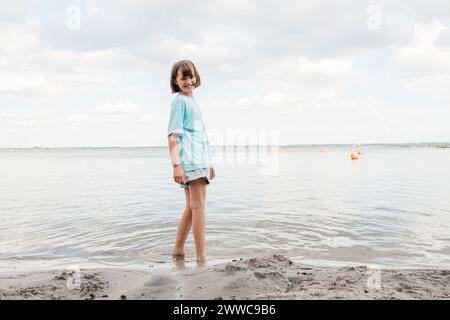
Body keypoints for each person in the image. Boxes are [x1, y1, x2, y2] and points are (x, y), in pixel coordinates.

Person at [167, 59, 215, 262]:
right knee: (199, 207)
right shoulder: (179, 101)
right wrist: (176, 165)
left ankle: (178, 250)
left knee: (191, 207)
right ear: (175, 81)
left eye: (190, 76)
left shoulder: (192, 101)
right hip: (191, 161)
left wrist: (209, 162)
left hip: (200, 160)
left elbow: (200, 135)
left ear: (196, 78)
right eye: (183, 77)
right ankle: (201, 257)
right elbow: (173, 135)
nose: (188, 80)